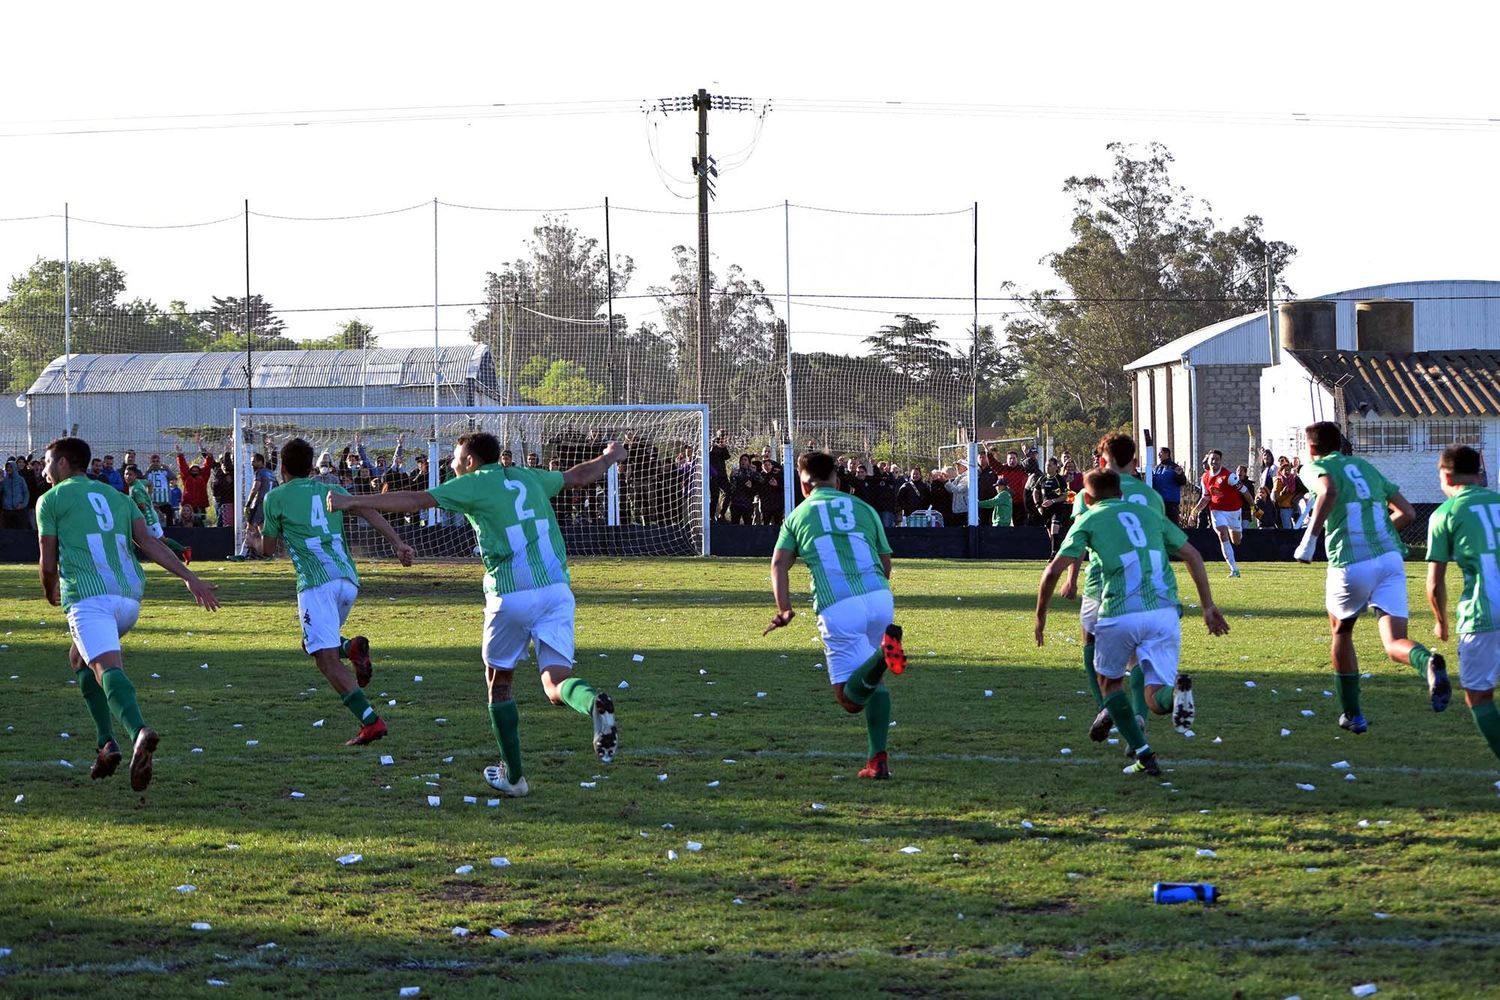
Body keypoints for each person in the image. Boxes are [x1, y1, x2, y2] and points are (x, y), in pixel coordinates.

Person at [328, 431, 626, 797]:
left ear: (470, 461)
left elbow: (415, 501)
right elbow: (580, 475)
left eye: (454, 460)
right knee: (554, 683)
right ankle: (591, 702)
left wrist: (352, 501)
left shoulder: (473, 484)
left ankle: (514, 777)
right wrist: (611, 456)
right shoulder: (528, 476)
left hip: (512, 594)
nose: (451, 466)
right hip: (557, 590)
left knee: (498, 683)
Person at [37, 436, 220, 791]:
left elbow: (47, 563)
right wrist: (190, 578)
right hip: (129, 600)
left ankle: (138, 732)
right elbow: (150, 543)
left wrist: (49, 593)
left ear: (62, 463)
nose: (44, 471)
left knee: (107, 668)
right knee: (79, 659)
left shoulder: (51, 500)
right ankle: (106, 745)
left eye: (47, 463)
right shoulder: (119, 498)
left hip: (90, 598)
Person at [1036, 468, 1229, 777]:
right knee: (1156, 697)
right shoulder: (1149, 513)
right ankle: (1175, 696)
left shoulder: (1089, 517)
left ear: (1087, 497)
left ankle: (1143, 751)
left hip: (1120, 611)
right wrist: (1208, 606)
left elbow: (1052, 572)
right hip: (1164, 611)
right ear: (1121, 493)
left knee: (1110, 683)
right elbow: (1193, 555)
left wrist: (1040, 618)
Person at [247, 437, 415, 747]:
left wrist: (253, 538)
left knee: (324, 659)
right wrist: (397, 542)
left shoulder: (276, 498)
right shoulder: (332, 489)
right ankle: (350, 647)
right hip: (347, 581)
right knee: (313, 644)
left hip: (315, 582)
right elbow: (367, 510)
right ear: (311, 467)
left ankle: (371, 722)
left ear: (281, 467)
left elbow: (268, 549)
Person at [1294, 420, 1448, 734]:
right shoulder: (1364, 467)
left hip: (1351, 562)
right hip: (1390, 559)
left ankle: (1353, 714)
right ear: (1340, 443)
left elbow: (1328, 490)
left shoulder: (1315, 467)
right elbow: (1407, 513)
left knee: (1341, 632)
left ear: (1311, 448)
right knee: (1393, 643)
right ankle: (1427, 664)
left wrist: (1308, 541)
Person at [764, 451, 907, 780]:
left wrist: (784, 609)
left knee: (849, 699)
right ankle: (877, 760)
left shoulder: (798, 516)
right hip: (879, 598)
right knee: (872, 683)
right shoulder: (865, 509)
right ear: (837, 480)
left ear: (803, 486)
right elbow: (885, 564)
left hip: (839, 605)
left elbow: (779, 564)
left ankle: (884, 657)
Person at [1061, 433, 1168, 720]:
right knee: (1138, 654)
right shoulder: (1151, 496)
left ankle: (1106, 706)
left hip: (1102, 580)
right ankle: (1140, 715)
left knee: (1090, 640)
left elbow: (1078, 541)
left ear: (1102, 459)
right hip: (1147, 581)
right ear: (1134, 461)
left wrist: (1071, 579)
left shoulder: (1093, 489)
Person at [1425, 445, 1500, 768]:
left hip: (1482, 614)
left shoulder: (1445, 513)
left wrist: (1440, 621)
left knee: (1479, 696)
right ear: (1479, 473)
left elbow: (1434, 583)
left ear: (1446, 474)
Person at [123, 464, 190, 563]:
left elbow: (142, 506)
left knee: (161, 540)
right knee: (140, 538)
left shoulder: (135, 490)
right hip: (148, 516)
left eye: (130, 474)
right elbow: (150, 483)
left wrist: (131, 506)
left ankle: (184, 550)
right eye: (126, 474)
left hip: (148, 519)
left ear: (135, 476)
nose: (127, 476)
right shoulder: (138, 482)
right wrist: (149, 496)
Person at [1194, 450, 1245, 577]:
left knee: (1236, 541)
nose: (1214, 461)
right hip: (1216, 510)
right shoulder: (1205, 477)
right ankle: (1234, 569)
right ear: (1208, 461)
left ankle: (1238, 532)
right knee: (1222, 534)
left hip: (1233, 511)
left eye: (1216, 459)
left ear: (1220, 461)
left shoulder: (1229, 476)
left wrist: (1253, 506)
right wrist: (1194, 512)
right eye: (1212, 459)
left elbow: (1244, 490)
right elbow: (1206, 497)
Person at [1032, 457, 1072, 556]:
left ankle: (1054, 554)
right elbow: (1035, 492)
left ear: (1055, 467)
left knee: (1055, 528)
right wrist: (1038, 506)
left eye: (1049, 465)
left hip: (1057, 508)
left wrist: (1053, 501)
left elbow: (1065, 496)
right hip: (1045, 510)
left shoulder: (1059, 479)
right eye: (1046, 465)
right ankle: (1057, 550)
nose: (1047, 467)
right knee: (1050, 532)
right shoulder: (1042, 478)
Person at [1151, 447, 1188, 527]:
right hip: (1158, 502)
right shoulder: (1156, 468)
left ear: (1167, 454)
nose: (1158, 455)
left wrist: (1180, 475)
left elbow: (1183, 482)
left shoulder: (1174, 467)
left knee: (1172, 526)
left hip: (1171, 503)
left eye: (1161, 453)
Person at [1, 458, 29, 529]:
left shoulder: (21, 480)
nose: (8, 469)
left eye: (10, 467)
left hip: (19, 510)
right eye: (7, 467)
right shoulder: (4, 480)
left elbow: (26, 494)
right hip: (7, 510)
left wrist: (23, 505)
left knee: (20, 531)